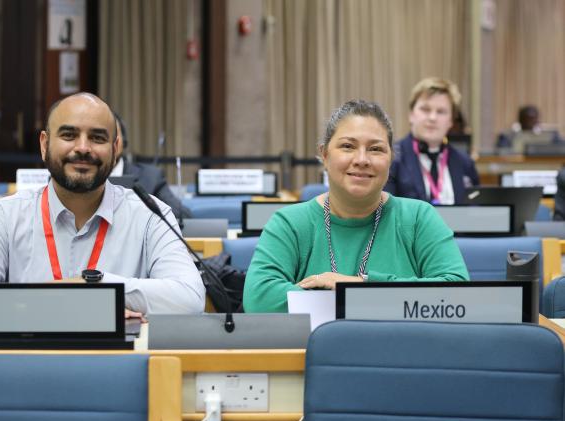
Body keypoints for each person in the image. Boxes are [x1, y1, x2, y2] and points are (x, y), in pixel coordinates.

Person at [0, 92, 205, 315]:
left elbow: (190, 298)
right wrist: (99, 303)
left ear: (115, 148)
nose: (83, 148)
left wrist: (95, 285)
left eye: (97, 138)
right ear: (44, 144)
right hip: (27, 362)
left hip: (116, 365)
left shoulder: (151, 215)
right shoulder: (5, 215)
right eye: (69, 135)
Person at [243, 99, 469, 313]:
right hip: (316, 353)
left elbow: (456, 294)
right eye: (348, 146)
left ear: (390, 159)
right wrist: (382, 301)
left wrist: (356, 286)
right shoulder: (290, 223)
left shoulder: (419, 217)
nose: (362, 159)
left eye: (376, 149)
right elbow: (259, 299)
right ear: (324, 154)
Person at [385, 77, 479, 204]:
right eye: (425, 109)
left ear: (451, 121)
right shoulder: (391, 159)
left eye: (441, 111)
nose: (432, 117)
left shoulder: (465, 163)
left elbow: (476, 213)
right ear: (411, 115)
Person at [111, 113, 191, 220]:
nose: (108, 142)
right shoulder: (84, 178)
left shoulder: (150, 177)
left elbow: (183, 215)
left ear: (123, 141)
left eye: (113, 135)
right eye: (99, 137)